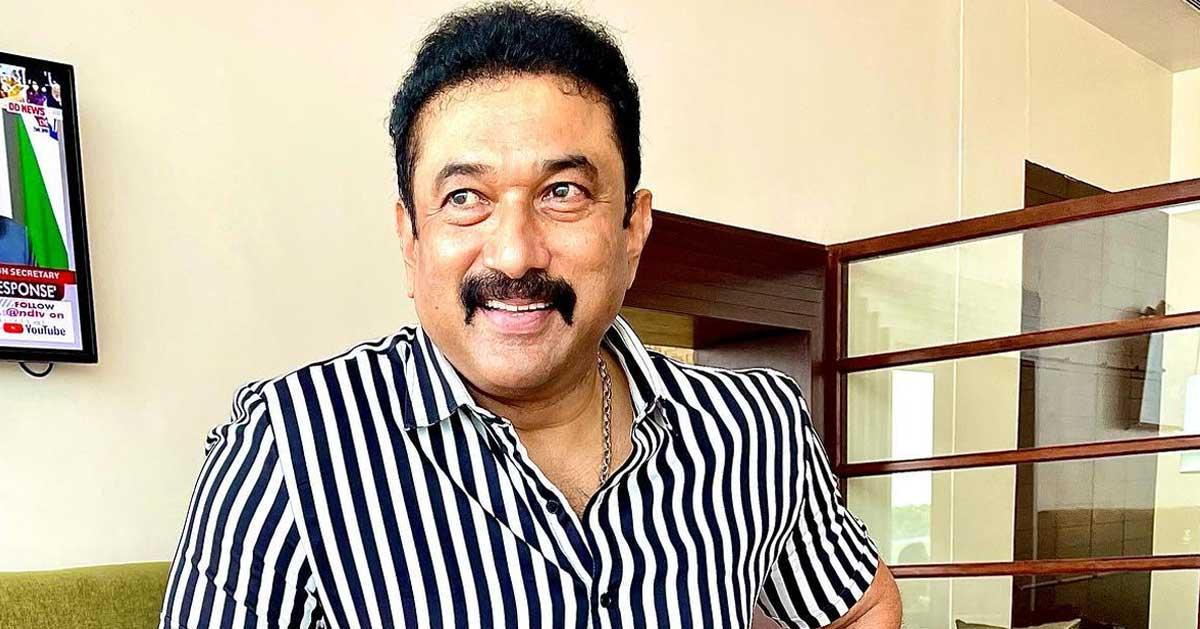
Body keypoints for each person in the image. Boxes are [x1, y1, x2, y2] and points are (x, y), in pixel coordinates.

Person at [159, 4, 901, 628]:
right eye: (464, 198)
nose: (515, 255)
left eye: (563, 192)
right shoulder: (286, 451)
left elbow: (862, 606)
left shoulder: (754, 427)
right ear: (411, 240)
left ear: (632, 229)